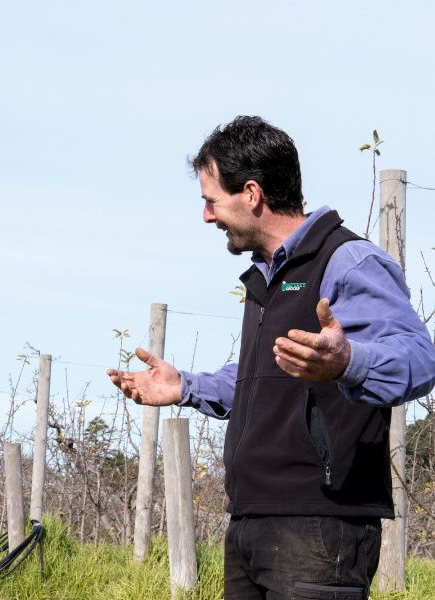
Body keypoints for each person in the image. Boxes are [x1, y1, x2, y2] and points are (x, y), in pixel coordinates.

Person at [107, 116, 435, 599]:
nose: (206, 216)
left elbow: (420, 360)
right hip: (250, 522)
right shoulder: (266, 276)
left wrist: (348, 362)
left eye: (211, 201)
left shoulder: (347, 261)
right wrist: (184, 387)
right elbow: (262, 378)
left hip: (320, 525)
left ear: (252, 193)